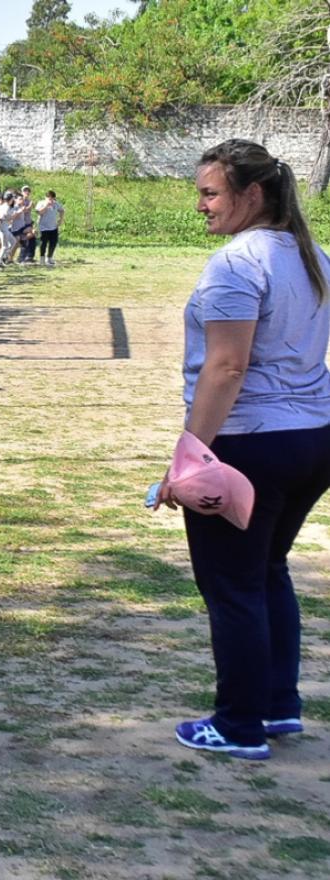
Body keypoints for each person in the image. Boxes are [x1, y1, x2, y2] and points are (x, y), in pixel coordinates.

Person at [156, 139, 330, 761]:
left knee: (233, 585)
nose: (201, 206)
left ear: (251, 195)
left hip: (251, 444)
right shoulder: (314, 257)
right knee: (266, 571)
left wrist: (188, 458)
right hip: (312, 439)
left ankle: (239, 725)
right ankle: (278, 706)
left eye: (210, 193)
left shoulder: (237, 264)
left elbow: (226, 369)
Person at [36, 190, 64, 265]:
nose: (51, 200)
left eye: (52, 198)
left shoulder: (56, 204)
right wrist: (46, 206)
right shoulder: (41, 203)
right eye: (49, 198)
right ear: (46, 197)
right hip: (43, 227)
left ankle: (49, 258)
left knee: (53, 243)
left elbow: (62, 210)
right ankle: (42, 258)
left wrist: (60, 219)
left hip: (53, 227)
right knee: (43, 243)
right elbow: (39, 212)